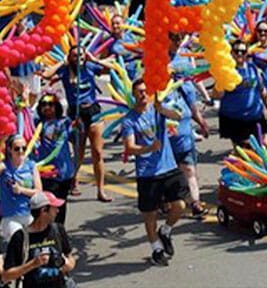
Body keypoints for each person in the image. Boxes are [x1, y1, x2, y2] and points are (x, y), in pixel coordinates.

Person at [122, 79, 189, 267]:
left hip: (168, 167)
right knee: (149, 214)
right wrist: (148, 148)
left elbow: (178, 116)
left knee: (181, 205)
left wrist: (162, 109)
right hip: (147, 173)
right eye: (139, 92)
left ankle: (166, 231)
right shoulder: (129, 119)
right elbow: (129, 147)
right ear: (134, 95)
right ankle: (156, 248)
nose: (143, 94)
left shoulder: (157, 109)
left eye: (145, 91)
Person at [42, 47, 112, 202]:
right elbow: (46, 75)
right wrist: (62, 62)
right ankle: (73, 180)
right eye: (75, 55)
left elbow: (111, 69)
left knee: (98, 153)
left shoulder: (90, 66)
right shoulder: (66, 71)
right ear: (70, 57)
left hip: (94, 112)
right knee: (79, 152)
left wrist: (94, 59)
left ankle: (101, 190)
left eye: (81, 54)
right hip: (76, 115)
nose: (79, 57)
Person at [163, 33, 209, 218]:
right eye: (173, 38)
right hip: (165, 128)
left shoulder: (185, 56)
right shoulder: (155, 57)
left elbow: (190, 92)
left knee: (189, 167)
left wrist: (201, 121)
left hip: (184, 126)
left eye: (178, 38)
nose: (176, 41)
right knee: (168, 170)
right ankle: (166, 200)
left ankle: (195, 203)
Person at [2, 191, 76, 288]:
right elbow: (6, 276)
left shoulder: (58, 229)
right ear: (44, 210)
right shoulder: (20, 237)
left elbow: (70, 258)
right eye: (54, 208)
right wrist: (33, 264)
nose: (57, 211)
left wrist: (66, 263)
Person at [214, 40, 267, 146]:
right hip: (235, 119)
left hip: (255, 116)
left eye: (243, 51)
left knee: (263, 146)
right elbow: (217, 95)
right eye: (236, 51)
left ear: (247, 53)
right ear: (231, 53)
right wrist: (220, 81)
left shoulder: (253, 68)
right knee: (243, 149)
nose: (239, 54)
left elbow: (262, 90)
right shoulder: (226, 71)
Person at [33, 94, 74, 224]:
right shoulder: (37, 123)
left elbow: (75, 139)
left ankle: (59, 232)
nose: (47, 108)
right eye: (43, 105)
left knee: (61, 205)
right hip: (49, 174)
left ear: (56, 107)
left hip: (65, 172)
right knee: (48, 206)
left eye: (50, 104)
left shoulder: (65, 122)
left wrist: (78, 127)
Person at [0, 135, 42, 243]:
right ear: (9, 149)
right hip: (10, 217)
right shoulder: (4, 167)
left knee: (33, 247)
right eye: (17, 148)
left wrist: (21, 190)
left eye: (24, 148)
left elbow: (39, 191)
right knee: (19, 243)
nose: (21, 151)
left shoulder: (31, 166)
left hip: (27, 215)